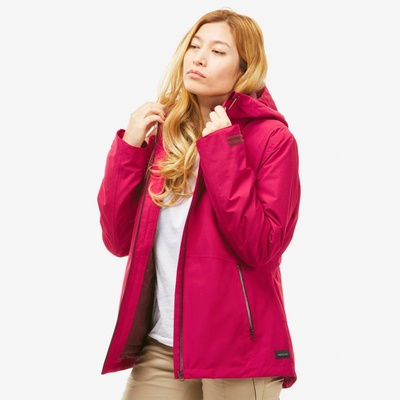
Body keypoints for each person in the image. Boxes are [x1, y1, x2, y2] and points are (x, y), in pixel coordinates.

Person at [97, 8, 301, 400]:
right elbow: (118, 241)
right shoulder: (166, 133)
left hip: (238, 355)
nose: (200, 58)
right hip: (164, 346)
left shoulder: (273, 140)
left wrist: (224, 150)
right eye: (194, 46)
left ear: (244, 69)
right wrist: (130, 148)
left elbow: (261, 247)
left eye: (218, 51)